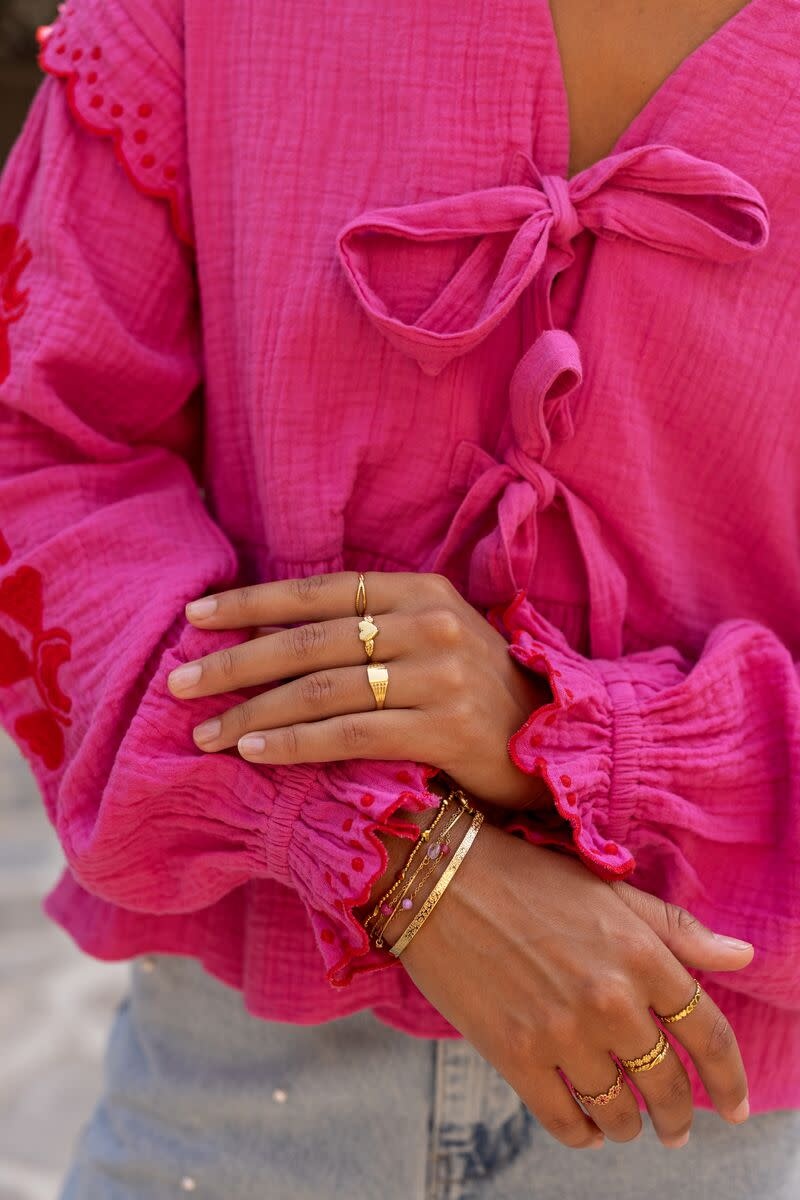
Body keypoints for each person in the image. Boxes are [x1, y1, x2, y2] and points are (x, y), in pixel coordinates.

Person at [0, 0, 798, 1195]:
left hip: (692, 1109)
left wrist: (563, 734)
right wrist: (403, 861)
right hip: (234, 1103)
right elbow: (41, 457)